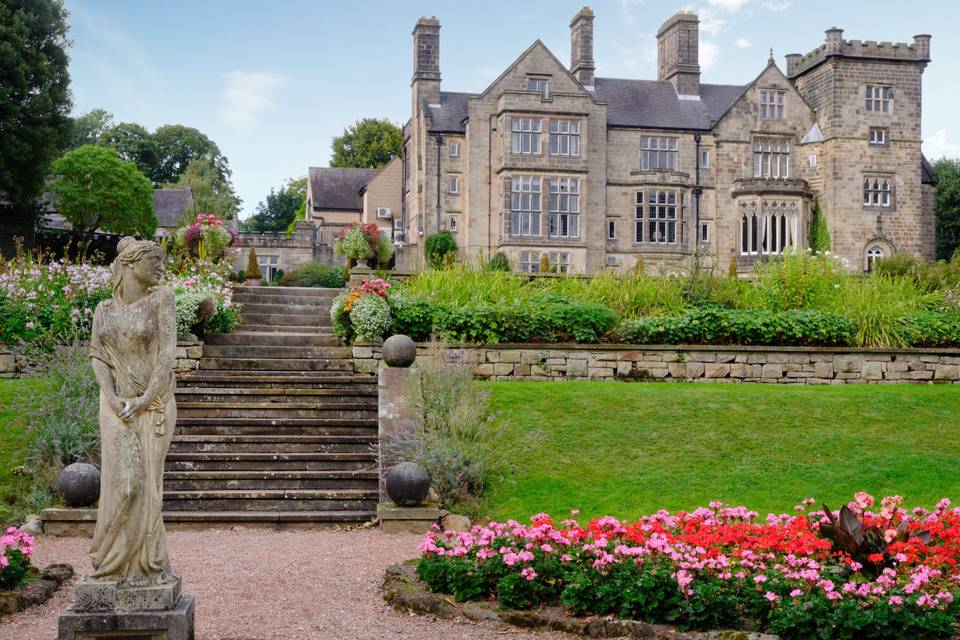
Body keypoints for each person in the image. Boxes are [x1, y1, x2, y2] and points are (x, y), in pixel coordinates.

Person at [88, 236, 177, 586]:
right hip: (113, 406)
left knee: (147, 487)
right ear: (129, 263)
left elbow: (167, 356)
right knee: (122, 486)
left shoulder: (161, 300)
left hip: (153, 405)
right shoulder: (103, 310)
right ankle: (109, 563)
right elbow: (98, 356)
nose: (162, 267)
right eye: (154, 261)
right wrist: (110, 396)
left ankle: (148, 565)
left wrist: (143, 400)